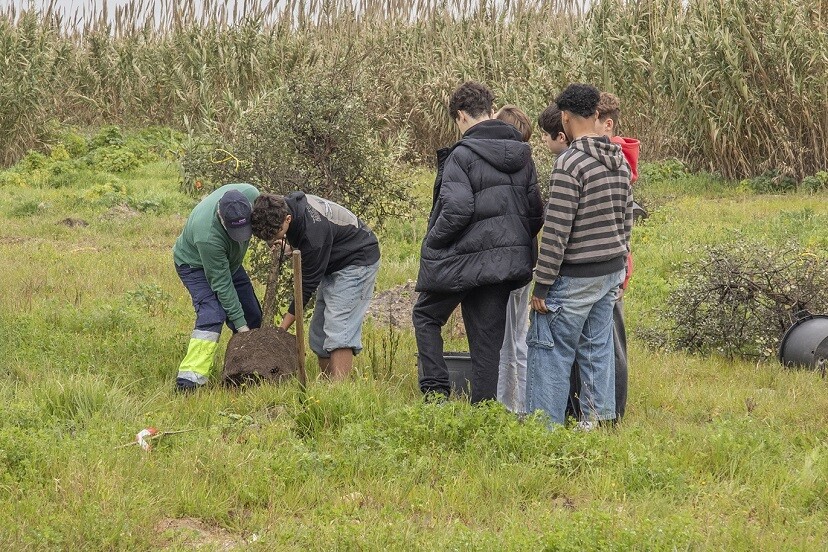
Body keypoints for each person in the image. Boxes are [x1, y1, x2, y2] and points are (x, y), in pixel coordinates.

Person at [413, 82, 544, 404]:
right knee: (487, 344)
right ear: (489, 108)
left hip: (460, 259)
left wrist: (433, 243)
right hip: (504, 265)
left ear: (460, 115)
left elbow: (457, 210)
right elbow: (535, 214)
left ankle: (436, 394)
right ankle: (484, 411)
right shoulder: (522, 154)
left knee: (426, 317)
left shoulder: (462, 154)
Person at [526, 83, 633, 429]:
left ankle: (544, 430)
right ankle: (596, 425)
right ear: (597, 115)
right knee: (597, 350)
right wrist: (620, 265)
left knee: (550, 351)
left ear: (566, 117)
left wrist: (541, 285)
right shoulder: (618, 158)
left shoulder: (569, 163)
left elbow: (557, 231)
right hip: (610, 271)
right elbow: (626, 216)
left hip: (575, 275)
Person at [250, 192, 380, 380]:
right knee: (318, 333)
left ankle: (340, 393)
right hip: (333, 260)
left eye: (275, 233)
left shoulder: (314, 234)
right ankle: (328, 387)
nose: (271, 239)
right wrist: (290, 246)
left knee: (339, 325)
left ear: (287, 219)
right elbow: (303, 236)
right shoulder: (286, 205)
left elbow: (305, 288)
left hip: (357, 261)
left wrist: (281, 330)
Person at [567, 92, 641, 421]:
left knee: (609, 342)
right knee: (602, 341)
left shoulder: (616, 157)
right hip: (613, 259)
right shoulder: (610, 156)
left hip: (609, 263)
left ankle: (612, 411)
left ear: (605, 123)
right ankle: (600, 410)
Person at [173, 183, 262, 392]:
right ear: (221, 219)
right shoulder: (208, 237)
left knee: (252, 315)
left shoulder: (252, 194)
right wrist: (241, 328)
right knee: (212, 314)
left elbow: (267, 218)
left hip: (230, 263)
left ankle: (241, 372)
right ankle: (189, 381)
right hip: (194, 265)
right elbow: (222, 285)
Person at [492, 104, 534, 413]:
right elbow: (537, 214)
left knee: (503, 341)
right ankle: (521, 403)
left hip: (502, 265)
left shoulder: (492, 165)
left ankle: (507, 406)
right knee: (519, 337)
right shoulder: (526, 165)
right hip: (526, 260)